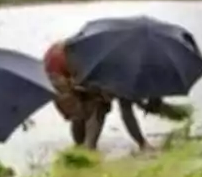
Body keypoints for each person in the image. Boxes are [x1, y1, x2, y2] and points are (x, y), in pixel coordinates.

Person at [44, 39, 183, 152]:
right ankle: (88, 149)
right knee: (98, 104)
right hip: (59, 69)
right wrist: (142, 143)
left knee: (84, 105)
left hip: (60, 60)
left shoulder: (127, 57)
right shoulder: (123, 68)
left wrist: (148, 103)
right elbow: (126, 110)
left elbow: (129, 99)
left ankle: (80, 148)